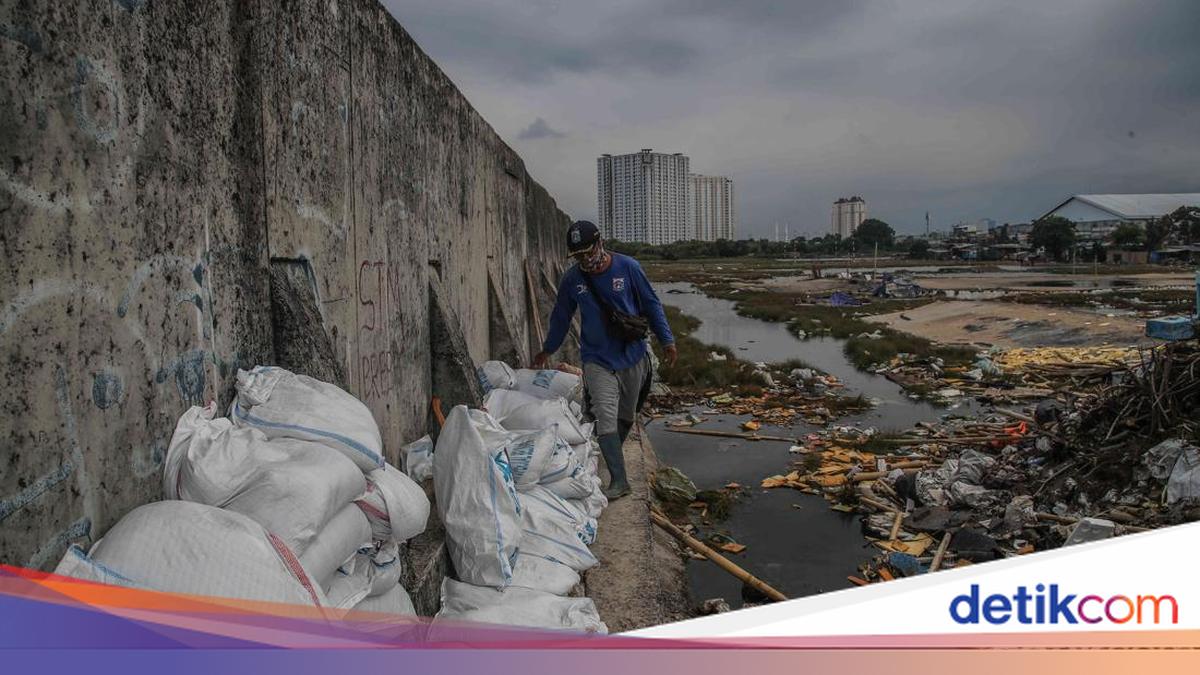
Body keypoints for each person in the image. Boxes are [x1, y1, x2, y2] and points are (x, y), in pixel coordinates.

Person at [534, 220, 677, 500]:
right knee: (604, 413)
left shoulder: (629, 268)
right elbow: (561, 318)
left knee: (626, 414)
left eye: (589, 252)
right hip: (597, 358)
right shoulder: (573, 280)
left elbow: (651, 304)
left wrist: (667, 340)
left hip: (633, 354)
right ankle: (619, 480)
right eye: (579, 256)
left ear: (600, 243)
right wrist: (547, 349)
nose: (586, 260)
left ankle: (611, 454)